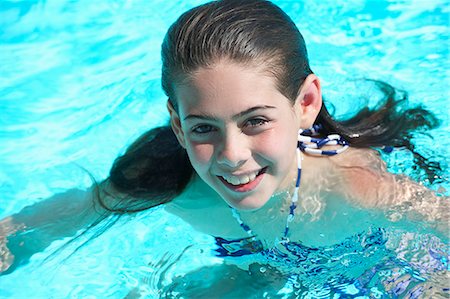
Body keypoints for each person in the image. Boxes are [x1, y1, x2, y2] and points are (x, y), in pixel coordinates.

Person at [1, 0, 448, 294]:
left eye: (255, 121)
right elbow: (79, 209)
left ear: (306, 103)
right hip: (259, 267)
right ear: (177, 124)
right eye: (203, 129)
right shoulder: (165, 180)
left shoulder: (350, 188)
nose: (232, 154)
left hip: (380, 260)